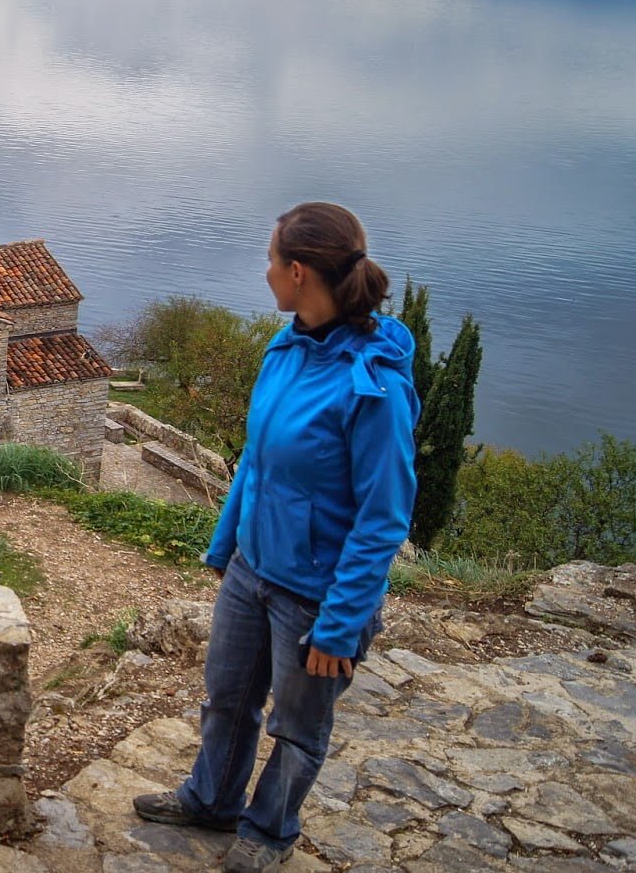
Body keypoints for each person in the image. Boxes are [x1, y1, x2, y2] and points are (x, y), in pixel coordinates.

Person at [133, 202, 421, 872]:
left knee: (297, 728)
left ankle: (268, 831)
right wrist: (224, 543)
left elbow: (384, 517)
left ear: (298, 272)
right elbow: (258, 459)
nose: (264, 273)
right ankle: (211, 799)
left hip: (316, 597)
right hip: (252, 569)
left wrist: (340, 624)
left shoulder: (371, 385)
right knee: (226, 698)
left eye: (270, 261)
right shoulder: (287, 345)